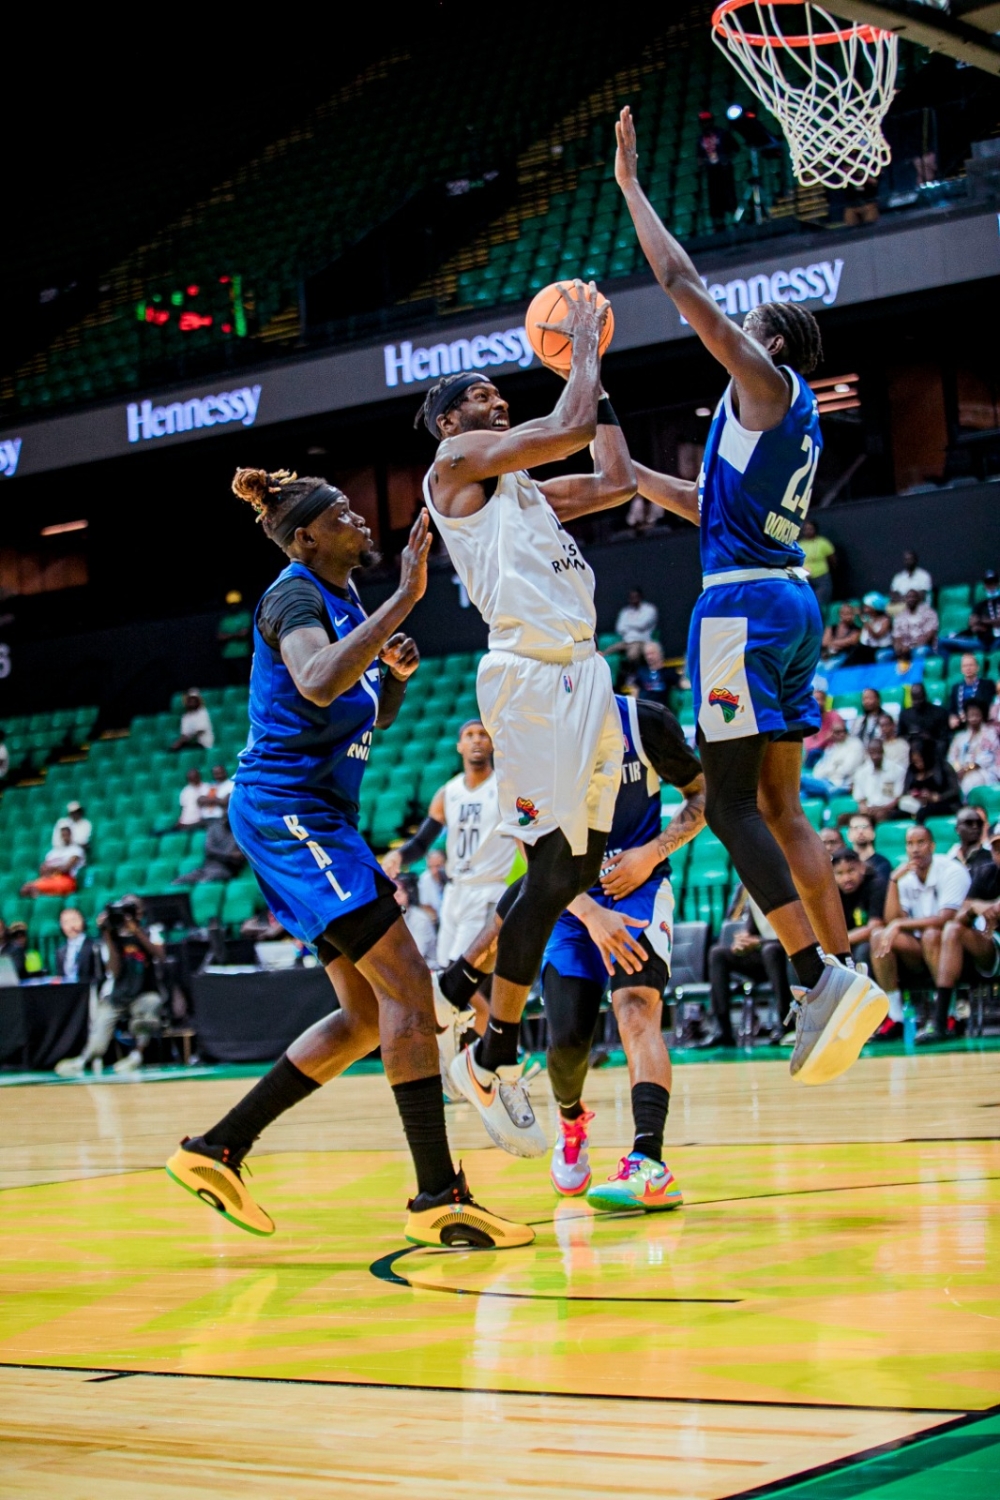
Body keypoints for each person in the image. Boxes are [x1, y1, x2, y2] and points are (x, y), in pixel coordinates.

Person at [166, 468, 532, 1250]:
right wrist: (407, 594)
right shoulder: (295, 594)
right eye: (340, 514)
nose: (360, 518)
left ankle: (220, 1148)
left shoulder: (342, 604)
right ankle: (438, 1194)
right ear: (305, 539)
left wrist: (392, 681)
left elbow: (361, 713)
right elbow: (317, 679)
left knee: (370, 1014)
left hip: (318, 816)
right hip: (288, 809)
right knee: (407, 987)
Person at [612, 103, 887, 1085]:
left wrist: (633, 191)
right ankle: (844, 981)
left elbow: (682, 283)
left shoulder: (764, 381)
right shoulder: (774, 425)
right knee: (781, 805)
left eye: (748, 323)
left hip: (737, 610)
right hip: (785, 603)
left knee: (726, 803)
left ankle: (816, 982)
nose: (733, 324)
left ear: (768, 342)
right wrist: (633, 474)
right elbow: (705, 503)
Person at [418, 282, 635, 1156]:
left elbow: (615, 477)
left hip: (583, 672)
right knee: (554, 862)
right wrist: (581, 347)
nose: (493, 398)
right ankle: (491, 1045)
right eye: (474, 396)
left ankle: (479, 1012)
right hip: (530, 680)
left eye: (495, 392)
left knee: (576, 862)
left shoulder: (527, 495)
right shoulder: (455, 472)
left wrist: (601, 376)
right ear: (447, 424)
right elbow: (568, 426)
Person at [541, 692, 705, 1208]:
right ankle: (572, 1122)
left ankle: (648, 1161)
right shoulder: (533, 727)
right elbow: (531, 844)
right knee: (568, 1041)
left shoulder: (644, 721)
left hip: (637, 887)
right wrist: (589, 912)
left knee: (636, 1008)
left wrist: (653, 852)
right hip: (570, 898)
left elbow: (706, 795)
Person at [383, 719, 512, 1062]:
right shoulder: (448, 793)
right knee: (448, 984)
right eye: (469, 735)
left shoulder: (507, 787)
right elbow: (423, 842)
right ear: (458, 746)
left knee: (458, 984)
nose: (476, 740)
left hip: (489, 892)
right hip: (455, 894)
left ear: (493, 744)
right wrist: (399, 854)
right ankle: (475, 1059)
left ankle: (495, 1056)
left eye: (483, 734)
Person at [870, 825, 970, 1039]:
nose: (915, 849)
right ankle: (894, 1017)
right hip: (920, 951)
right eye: (909, 844)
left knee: (932, 934)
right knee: (879, 936)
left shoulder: (951, 870)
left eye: (920, 842)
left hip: (957, 949)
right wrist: (893, 881)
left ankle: (949, 1014)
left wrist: (899, 925)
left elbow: (946, 919)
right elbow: (892, 920)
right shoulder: (906, 878)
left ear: (932, 846)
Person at [55, 896, 166, 1077]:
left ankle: (136, 1055)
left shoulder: (150, 931)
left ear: (139, 912)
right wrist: (106, 934)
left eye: (132, 909)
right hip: (119, 994)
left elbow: (159, 956)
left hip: (144, 992)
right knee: (101, 1024)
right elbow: (114, 971)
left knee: (149, 1006)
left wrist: (136, 931)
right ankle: (84, 1059)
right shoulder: (112, 937)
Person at [920, 821, 1000, 1044]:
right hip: (991, 948)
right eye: (997, 848)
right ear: (991, 851)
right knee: (952, 930)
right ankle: (942, 1020)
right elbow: (958, 918)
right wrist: (975, 908)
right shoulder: (986, 873)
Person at [702, 888, 792, 1050]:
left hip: (788, 962)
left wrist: (758, 942)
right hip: (764, 962)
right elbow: (751, 933)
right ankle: (722, 1029)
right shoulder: (755, 897)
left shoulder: (786, 892)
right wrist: (741, 944)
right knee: (718, 953)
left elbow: (794, 936)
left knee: (770, 950)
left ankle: (785, 1024)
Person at [832, 848, 885, 971]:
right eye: (839, 873)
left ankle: (867, 990)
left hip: (868, 942)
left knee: (864, 949)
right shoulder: (832, 893)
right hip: (844, 944)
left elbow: (874, 927)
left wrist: (839, 943)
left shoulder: (876, 885)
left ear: (862, 867)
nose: (846, 878)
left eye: (851, 871)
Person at [173, 810, 246, 885]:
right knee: (180, 880)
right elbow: (209, 849)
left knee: (206, 881)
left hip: (225, 869)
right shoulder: (214, 828)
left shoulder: (240, 833)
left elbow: (239, 857)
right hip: (208, 867)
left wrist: (229, 856)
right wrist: (229, 855)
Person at [899, 735, 961, 821]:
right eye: (915, 762)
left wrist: (937, 797)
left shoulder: (943, 766)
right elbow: (905, 791)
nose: (918, 764)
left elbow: (954, 790)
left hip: (943, 803)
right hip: (917, 804)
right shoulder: (911, 770)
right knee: (895, 815)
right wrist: (915, 794)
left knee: (922, 813)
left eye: (920, 761)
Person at [939, 569, 1000, 655]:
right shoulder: (980, 605)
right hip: (982, 642)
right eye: (988, 583)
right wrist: (991, 623)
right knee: (942, 642)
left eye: (993, 583)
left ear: (997, 584)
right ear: (985, 586)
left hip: (997, 640)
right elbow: (973, 625)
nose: (991, 586)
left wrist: (983, 621)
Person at [696, 111, 737, 232]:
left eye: (707, 121)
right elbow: (699, 156)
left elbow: (735, 148)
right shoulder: (700, 139)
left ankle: (736, 221)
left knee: (729, 196)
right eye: (703, 122)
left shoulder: (722, 133)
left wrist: (726, 158)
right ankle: (719, 226)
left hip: (724, 171)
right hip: (711, 173)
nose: (706, 125)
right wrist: (702, 162)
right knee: (715, 200)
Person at [848, 738, 905, 825]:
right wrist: (865, 809)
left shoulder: (897, 770)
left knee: (880, 815)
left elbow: (897, 798)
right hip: (869, 809)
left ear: (883, 752)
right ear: (868, 753)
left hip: (889, 809)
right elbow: (860, 799)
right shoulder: (861, 772)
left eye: (878, 753)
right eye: (872, 753)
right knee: (844, 818)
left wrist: (882, 809)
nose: (875, 756)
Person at [803, 720, 865, 798]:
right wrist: (835, 766)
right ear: (832, 734)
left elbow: (847, 769)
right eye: (837, 732)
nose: (841, 734)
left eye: (844, 731)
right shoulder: (831, 748)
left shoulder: (855, 745)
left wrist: (829, 769)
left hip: (842, 784)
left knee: (801, 778)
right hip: (826, 781)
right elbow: (817, 771)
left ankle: (829, 790)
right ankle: (827, 790)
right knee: (801, 796)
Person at [948, 702, 1000, 795]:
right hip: (960, 772)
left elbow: (988, 757)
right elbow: (952, 757)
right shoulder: (960, 736)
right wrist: (958, 769)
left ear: (982, 715)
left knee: (971, 782)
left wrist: (968, 769)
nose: (974, 718)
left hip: (985, 771)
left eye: (977, 715)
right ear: (966, 717)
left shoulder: (990, 734)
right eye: (971, 715)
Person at [21, 825, 85, 897]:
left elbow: (66, 868)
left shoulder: (76, 850)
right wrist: (51, 870)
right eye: (63, 835)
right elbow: (43, 868)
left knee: (33, 888)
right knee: (25, 889)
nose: (65, 837)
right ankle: (41, 895)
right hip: (50, 879)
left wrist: (51, 868)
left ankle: (40, 895)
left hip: (66, 880)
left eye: (66, 835)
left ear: (70, 835)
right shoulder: (54, 852)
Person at [393, 874, 438, 967]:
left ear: (407, 895)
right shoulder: (394, 920)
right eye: (392, 897)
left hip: (427, 967)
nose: (395, 900)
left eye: (398, 895)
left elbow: (417, 955)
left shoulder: (420, 919)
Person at [947, 653, 996, 729]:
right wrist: (952, 717)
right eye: (965, 666)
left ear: (977, 667)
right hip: (961, 725)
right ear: (961, 669)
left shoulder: (987, 684)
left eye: (971, 665)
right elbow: (952, 708)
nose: (968, 668)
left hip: (981, 723)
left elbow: (988, 704)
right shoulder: (956, 688)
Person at [54, 907, 103, 984]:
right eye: (66, 922)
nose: (71, 926)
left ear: (83, 921)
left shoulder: (94, 946)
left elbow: (98, 974)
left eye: (74, 920)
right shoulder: (60, 951)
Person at [611, 587, 659, 666]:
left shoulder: (649, 609)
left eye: (635, 597)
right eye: (631, 598)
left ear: (640, 597)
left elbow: (642, 625)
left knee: (632, 655)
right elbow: (619, 628)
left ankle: (634, 675)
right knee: (606, 653)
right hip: (626, 641)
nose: (633, 600)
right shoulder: (625, 612)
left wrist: (628, 625)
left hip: (641, 641)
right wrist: (635, 625)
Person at [846, 813, 892, 892]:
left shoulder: (883, 863)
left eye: (865, 827)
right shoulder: (844, 863)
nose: (860, 831)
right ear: (848, 835)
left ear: (873, 833)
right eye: (855, 828)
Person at [802, 677, 843, 766]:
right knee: (814, 753)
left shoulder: (834, 715)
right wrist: (826, 739)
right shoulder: (808, 721)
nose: (820, 702)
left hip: (835, 753)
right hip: (815, 757)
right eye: (817, 699)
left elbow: (840, 735)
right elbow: (810, 747)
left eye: (822, 699)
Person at [898, 682, 949, 752]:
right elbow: (900, 736)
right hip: (911, 750)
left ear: (925, 696)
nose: (917, 702)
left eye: (919, 699)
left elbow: (944, 738)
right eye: (914, 699)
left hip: (932, 749)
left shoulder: (939, 713)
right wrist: (910, 737)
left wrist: (929, 738)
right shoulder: (905, 715)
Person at [799, 518, 837, 608]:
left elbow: (832, 559)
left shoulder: (823, 542)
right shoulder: (799, 544)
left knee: (820, 603)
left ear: (815, 529)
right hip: (805, 579)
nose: (808, 531)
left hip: (821, 577)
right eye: (806, 529)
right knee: (806, 604)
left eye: (810, 529)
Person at [892, 589, 938, 659]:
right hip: (904, 650)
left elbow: (927, 638)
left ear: (919, 599)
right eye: (908, 597)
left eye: (914, 597)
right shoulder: (899, 616)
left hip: (924, 647)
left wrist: (909, 648)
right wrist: (900, 648)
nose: (911, 599)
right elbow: (897, 638)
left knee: (920, 651)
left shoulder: (929, 613)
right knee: (885, 655)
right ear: (905, 599)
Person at [631, 639, 677, 709]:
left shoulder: (668, 672)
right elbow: (634, 691)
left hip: (660, 710)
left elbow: (682, 683)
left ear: (660, 654)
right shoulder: (641, 672)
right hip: (644, 710)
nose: (649, 657)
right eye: (647, 655)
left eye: (652, 654)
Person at [946, 806, 992, 872]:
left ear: (987, 825)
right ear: (957, 829)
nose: (975, 827)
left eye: (979, 823)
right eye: (969, 823)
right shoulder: (954, 853)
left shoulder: (993, 852)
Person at [820, 603, 861, 670]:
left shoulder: (856, 630)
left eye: (849, 614)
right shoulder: (831, 628)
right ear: (840, 614)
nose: (848, 616)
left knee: (829, 667)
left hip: (843, 656)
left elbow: (850, 641)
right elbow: (824, 642)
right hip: (828, 656)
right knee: (818, 666)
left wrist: (832, 643)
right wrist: (836, 643)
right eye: (844, 613)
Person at [858, 593, 894, 663]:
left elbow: (877, 636)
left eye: (867, 607)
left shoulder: (885, 620)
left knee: (880, 655)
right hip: (870, 648)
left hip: (883, 648)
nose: (865, 610)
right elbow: (863, 640)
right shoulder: (868, 619)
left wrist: (866, 623)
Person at [416, 848, 447, 923]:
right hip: (439, 920)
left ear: (446, 864)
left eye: (438, 866)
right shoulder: (424, 879)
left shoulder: (453, 876)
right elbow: (425, 905)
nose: (434, 871)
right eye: (431, 867)